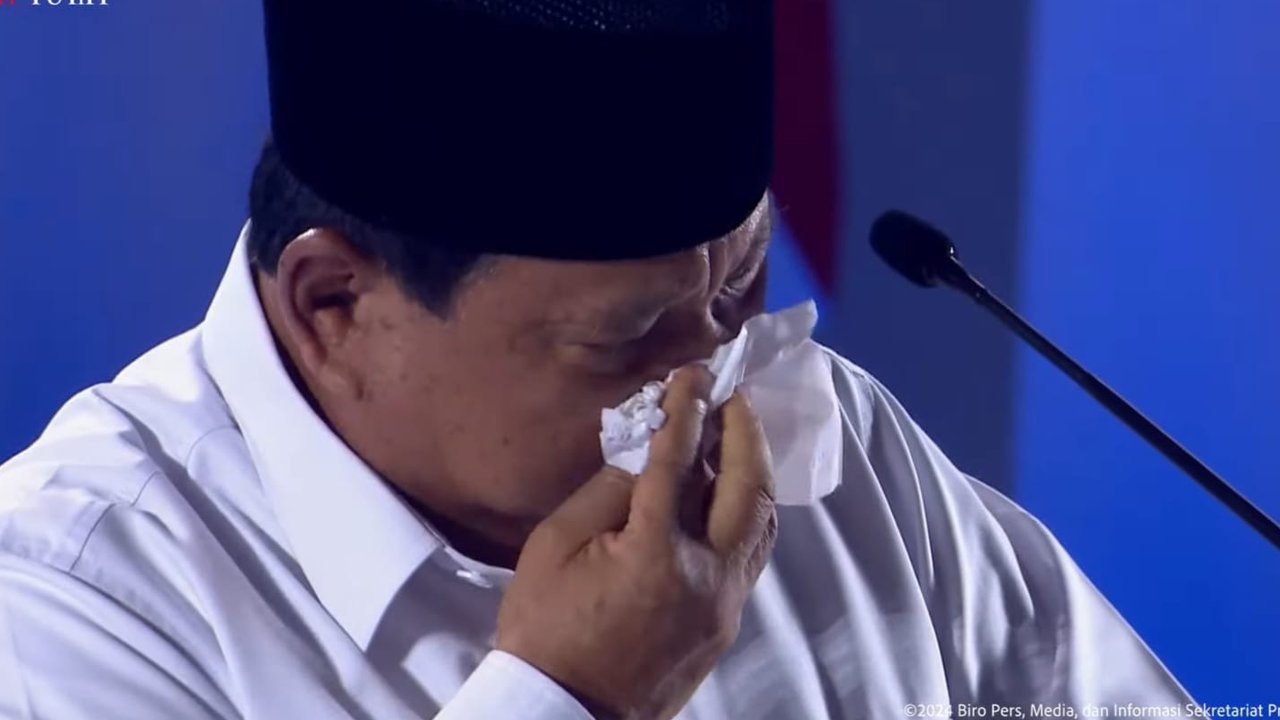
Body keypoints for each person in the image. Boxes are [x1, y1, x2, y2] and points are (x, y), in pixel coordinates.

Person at [0, 0, 1193, 718]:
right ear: (334, 304)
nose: (709, 381)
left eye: (738, 288)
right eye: (624, 337)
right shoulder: (67, 605)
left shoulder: (833, 449)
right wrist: (571, 699)